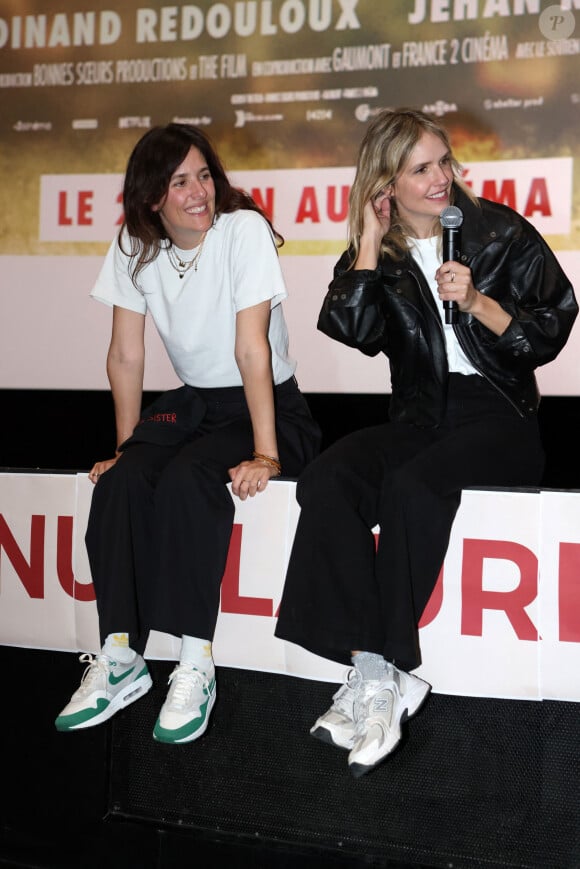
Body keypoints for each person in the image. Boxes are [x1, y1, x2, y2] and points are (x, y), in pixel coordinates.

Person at [274, 107, 577, 777]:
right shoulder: (379, 252)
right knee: (328, 478)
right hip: (420, 417)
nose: (442, 177)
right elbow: (351, 329)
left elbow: (554, 323)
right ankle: (373, 670)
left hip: (499, 417)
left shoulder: (497, 233)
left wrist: (478, 304)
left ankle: (381, 671)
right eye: (422, 168)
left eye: (445, 161)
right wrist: (364, 236)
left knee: (411, 487)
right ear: (387, 183)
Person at [55, 123, 321, 744]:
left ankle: (195, 662)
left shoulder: (243, 229)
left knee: (186, 479)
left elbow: (251, 349)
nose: (199, 191)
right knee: (122, 482)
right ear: (152, 197)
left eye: (204, 175)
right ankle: (120, 655)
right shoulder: (133, 244)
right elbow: (125, 355)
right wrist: (127, 449)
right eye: (180, 182)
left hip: (267, 408)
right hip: (195, 406)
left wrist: (265, 452)